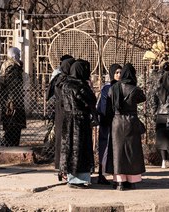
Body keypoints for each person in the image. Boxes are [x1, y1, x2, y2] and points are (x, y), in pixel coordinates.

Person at [107, 63, 146, 191]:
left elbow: (108, 106)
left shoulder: (113, 88)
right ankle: (131, 181)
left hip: (116, 122)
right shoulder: (134, 89)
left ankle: (119, 182)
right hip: (131, 122)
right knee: (131, 152)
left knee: (117, 152)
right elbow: (142, 98)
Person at [59, 59, 97, 189]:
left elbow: (62, 103)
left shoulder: (65, 84)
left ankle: (71, 176)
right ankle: (78, 179)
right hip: (80, 121)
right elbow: (91, 100)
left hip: (68, 119)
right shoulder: (80, 86)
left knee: (69, 149)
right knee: (80, 150)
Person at [46, 56, 75, 171]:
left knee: (59, 138)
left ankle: (59, 165)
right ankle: (63, 166)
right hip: (63, 112)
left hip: (58, 112)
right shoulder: (65, 81)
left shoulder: (58, 78)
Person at [96, 64, 122, 185]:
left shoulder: (121, 86)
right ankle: (101, 174)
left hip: (117, 122)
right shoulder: (107, 88)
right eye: (116, 72)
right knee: (105, 147)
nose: (119, 75)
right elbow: (103, 106)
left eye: (120, 72)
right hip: (107, 122)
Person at [0, 47, 26, 147]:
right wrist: (11, 103)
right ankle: (11, 144)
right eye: (18, 54)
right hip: (13, 102)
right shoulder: (12, 67)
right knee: (13, 124)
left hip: (10, 100)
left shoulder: (9, 65)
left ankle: (11, 143)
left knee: (11, 124)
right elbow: (12, 87)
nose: (20, 56)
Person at [152, 71, 169, 168]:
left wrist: (154, 114)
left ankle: (164, 160)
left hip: (160, 116)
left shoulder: (158, 90)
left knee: (162, 140)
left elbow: (154, 104)